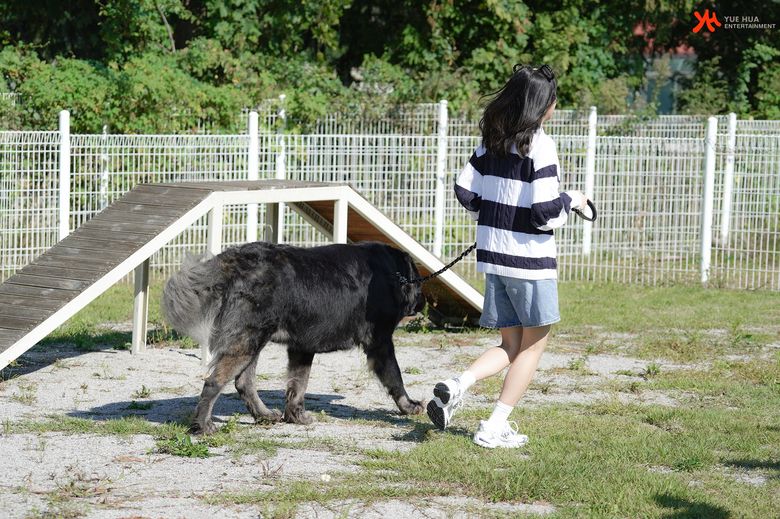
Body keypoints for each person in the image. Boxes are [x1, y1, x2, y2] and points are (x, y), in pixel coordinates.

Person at [426, 64, 589, 449]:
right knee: (533, 345)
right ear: (541, 105)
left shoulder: (491, 140)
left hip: (493, 256)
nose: (555, 103)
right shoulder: (541, 145)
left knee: (509, 344)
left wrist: (497, 210)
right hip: (529, 261)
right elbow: (546, 212)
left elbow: (465, 190)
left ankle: (457, 384)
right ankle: (494, 425)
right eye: (553, 98)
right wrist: (574, 200)